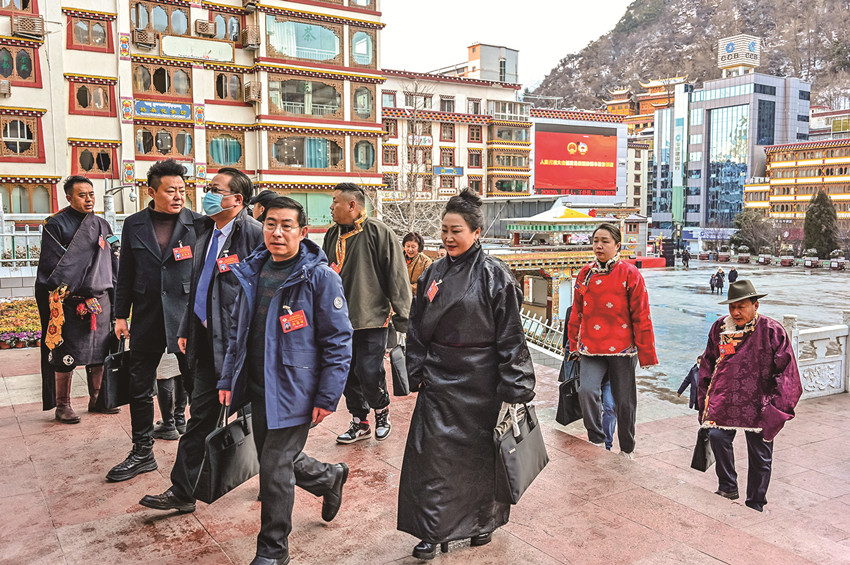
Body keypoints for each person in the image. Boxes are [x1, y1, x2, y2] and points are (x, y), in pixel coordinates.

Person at [398, 189, 535, 560]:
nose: (447, 237)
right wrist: (417, 369)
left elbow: (511, 336)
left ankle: (481, 523)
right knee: (431, 459)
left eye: (456, 230)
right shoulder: (433, 272)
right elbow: (416, 326)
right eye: (444, 230)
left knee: (480, 462)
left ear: (476, 232)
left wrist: (516, 388)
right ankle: (431, 530)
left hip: (482, 384)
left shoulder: (496, 276)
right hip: (439, 381)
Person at [216, 196, 353, 565]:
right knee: (275, 459)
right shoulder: (253, 270)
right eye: (270, 224)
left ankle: (273, 551)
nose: (276, 232)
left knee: (275, 468)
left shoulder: (319, 277)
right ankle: (328, 478)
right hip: (258, 386)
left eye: (286, 225)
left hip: (296, 390)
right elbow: (237, 334)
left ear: (303, 232)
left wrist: (327, 396)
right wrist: (228, 378)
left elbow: (339, 341)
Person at [139, 168, 263, 509]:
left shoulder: (254, 235)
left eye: (215, 189)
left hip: (241, 348)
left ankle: (318, 476)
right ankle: (182, 492)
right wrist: (185, 328)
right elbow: (199, 287)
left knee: (263, 425)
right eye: (207, 187)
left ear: (237, 199)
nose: (206, 194)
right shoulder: (206, 231)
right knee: (201, 418)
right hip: (208, 343)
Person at [107, 159, 200, 482]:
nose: (178, 196)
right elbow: (125, 274)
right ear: (152, 192)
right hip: (147, 315)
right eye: (171, 190)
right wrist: (120, 315)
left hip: (186, 317)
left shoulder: (198, 224)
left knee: (196, 385)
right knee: (139, 385)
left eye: (182, 190)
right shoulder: (134, 224)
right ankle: (142, 451)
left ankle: (201, 451)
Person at [698, 280, 802, 512]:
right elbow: (708, 364)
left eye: (741, 306)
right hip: (725, 402)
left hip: (760, 403)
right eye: (732, 307)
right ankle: (727, 486)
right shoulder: (719, 328)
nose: (736, 312)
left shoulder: (772, 331)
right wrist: (704, 401)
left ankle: (756, 502)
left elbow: (788, 374)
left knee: (760, 457)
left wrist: (776, 410)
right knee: (717, 436)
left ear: (756, 305)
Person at [323, 183, 411, 444]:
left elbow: (396, 276)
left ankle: (381, 411)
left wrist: (404, 318)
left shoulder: (378, 232)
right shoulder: (331, 235)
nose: (331, 206)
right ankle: (360, 422)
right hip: (339, 321)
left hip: (372, 318)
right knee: (347, 374)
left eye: (335, 201)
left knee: (369, 371)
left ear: (352, 205)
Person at [568, 223, 657, 459]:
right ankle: (596, 438)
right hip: (591, 347)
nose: (598, 245)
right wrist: (573, 344)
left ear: (617, 245)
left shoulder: (630, 274)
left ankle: (627, 448)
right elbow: (577, 311)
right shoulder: (585, 273)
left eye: (605, 241)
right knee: (586, 391)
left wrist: (647, 354)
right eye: (595, 240)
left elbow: (641, 315)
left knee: (623, 401)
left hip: (622, 348)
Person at [35, 176, 120, 423]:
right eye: (82, 195)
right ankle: (63, 404)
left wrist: (118, 291)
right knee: (65, 352)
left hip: (100, 300)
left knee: (100, 351)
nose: (89, 199)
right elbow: (53, 265)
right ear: (69, 198)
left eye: (91, 194)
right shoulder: (55, 225)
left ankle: (97, 398)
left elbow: (114, 256)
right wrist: (73, 289)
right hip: (68, 301)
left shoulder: (103, 225)